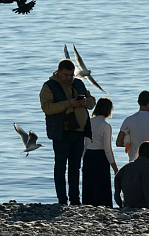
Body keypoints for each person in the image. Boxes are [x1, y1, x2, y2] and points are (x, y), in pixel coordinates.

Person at [40, 58, 96, 205]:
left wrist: (85, 103)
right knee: (60, 167)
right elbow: (47, 108)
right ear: (58, 72)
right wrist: (68, 104)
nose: (69, 78)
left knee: (75, 167)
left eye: (71, 75)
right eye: (66, 75)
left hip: (79, 131)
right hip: (61, 132)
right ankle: (62, 200)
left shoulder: (78, 83)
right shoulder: (49, 86)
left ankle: (75, 199)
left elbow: (92, 101)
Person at [82, 97, 118, 207]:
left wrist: (83, 159)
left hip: (88, 155)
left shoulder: (87, 122)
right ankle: (103, 205)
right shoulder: (106, 126)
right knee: (101, 185)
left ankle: (87, 204)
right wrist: (115, 168)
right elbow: (107, 149)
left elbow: (85, 144)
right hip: (100, 157)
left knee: (89, 185)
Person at [116, 90, 149, 161]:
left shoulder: (129, 120)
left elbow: (118, 143)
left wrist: (130, 142)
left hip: (133, 162)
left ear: (138, 103)